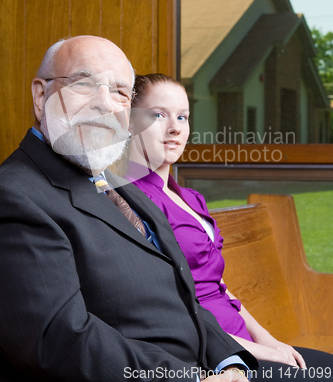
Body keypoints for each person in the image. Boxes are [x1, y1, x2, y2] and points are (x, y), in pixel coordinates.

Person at [0, 36, 258, 382]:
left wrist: (230, 363)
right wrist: (193, 379)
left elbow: (185, 298)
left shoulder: (119, 187)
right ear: (41, 95)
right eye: (83, 83)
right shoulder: (15, 194)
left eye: (121, 92)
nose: (105, 104)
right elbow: (59, 339)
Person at [127, 72, 333, 382]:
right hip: (213, 356)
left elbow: (221, 287)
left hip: (244, 341)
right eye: (158, 115)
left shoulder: (192, 198)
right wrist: (256, 352)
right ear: (129, 122)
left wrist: (268, 340)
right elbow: (170, 308)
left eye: (182, 117)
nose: (175, 128)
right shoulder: (132, 201)